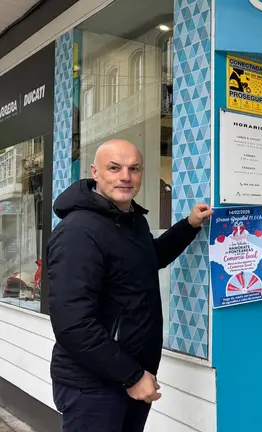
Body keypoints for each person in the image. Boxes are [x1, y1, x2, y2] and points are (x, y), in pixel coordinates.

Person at [47, 139, 213, 432]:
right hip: (94, 386)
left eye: (134, 169)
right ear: (95, 172)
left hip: (131, 375)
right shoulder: (78, 232)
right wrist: (132, 376)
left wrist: (189, 225)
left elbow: (150, 258)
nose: (126, 176)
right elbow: (73, 324)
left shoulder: (130, 220)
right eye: (115, 168)